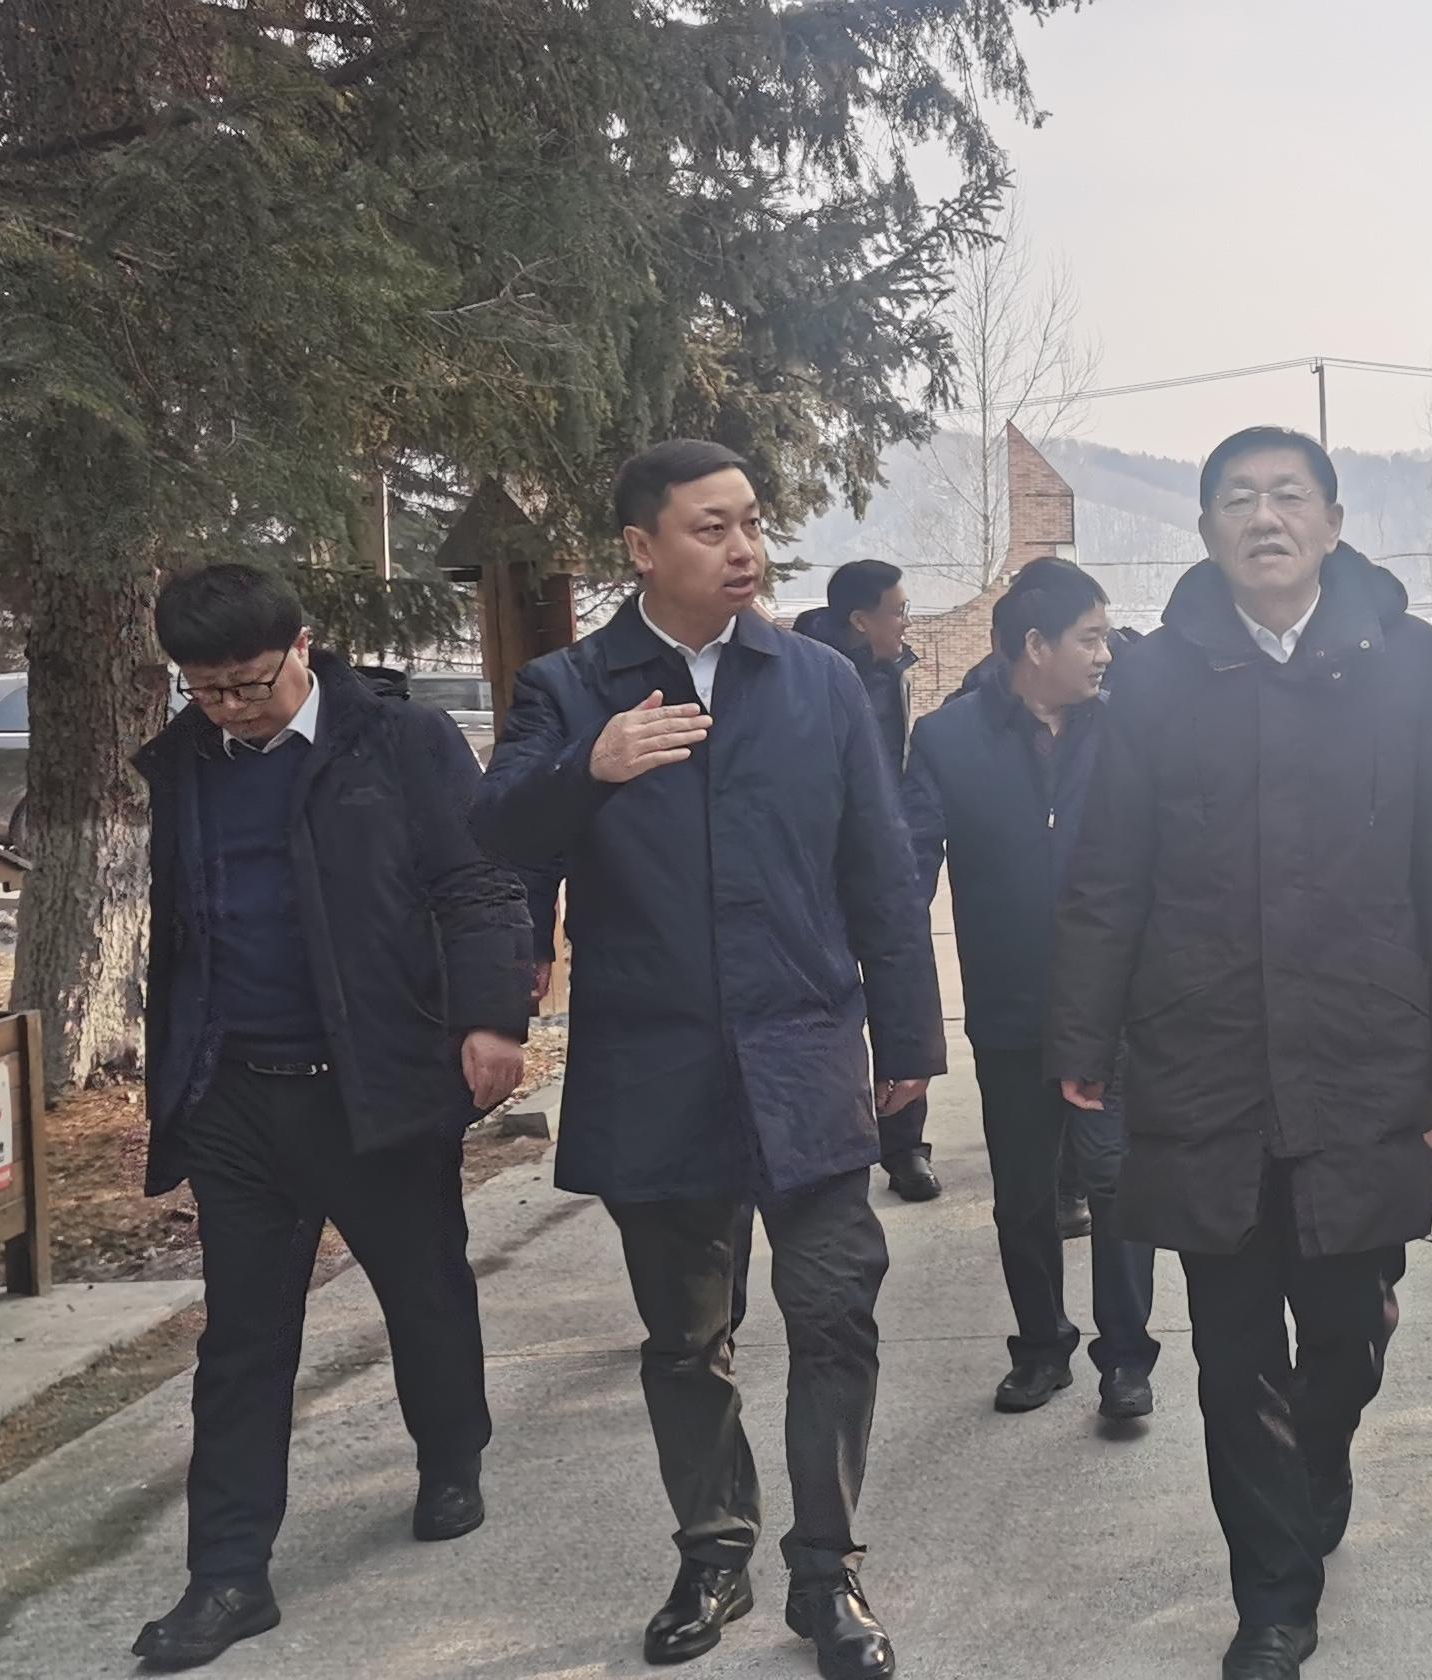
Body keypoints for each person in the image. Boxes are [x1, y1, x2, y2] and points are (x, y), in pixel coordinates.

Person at [1045, 425, 1432, 1680]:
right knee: (1234, 1342)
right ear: (1205, 530)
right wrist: (1083, 1031)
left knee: (1350, 1325)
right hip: (1204, 1051)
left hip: (1364, 1044)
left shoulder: (1409, 664)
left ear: (1333, 521)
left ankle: (1321, 1455)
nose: (1265, 516)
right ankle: (1272, 1599)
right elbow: (1108, 867)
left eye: (1288, 495)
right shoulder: (1155, 677)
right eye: (1238, 498)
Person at [474, 440, 937, 1678]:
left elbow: (879, 867)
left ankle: (826, 1572)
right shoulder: (571, 688)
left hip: (804, 1048)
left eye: (752, 524)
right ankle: (714, 1551)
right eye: (711, 528)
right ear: (641, 548)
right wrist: (591, 768)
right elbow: (499, 835)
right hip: (656, 1059)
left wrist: (907, 1036)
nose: (744, 550)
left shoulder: (819, 683)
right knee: (686, 1337)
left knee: (834, 1312)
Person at [131, 565, 530, 1670]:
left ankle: (450, 1455)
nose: (229, 708)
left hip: (373, 1082)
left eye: (249, 684)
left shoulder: (399, 744)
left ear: (302, 647)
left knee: (423, 1290)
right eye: (205, 689)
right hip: (233, 1093)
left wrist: (492, 1019)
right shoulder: (186, 764)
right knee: (242, 1340)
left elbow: (476, 881)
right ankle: (227, 1576)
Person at [904, 557, 1164, 1419]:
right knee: (1023, 1196)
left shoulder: (1127, 729)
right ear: (1034, 646)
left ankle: (1126, 1360)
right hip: (1010, 1007)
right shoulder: (948, 741)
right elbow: (907, 871)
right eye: (1090, 638)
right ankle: (1041, 1347)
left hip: (1114, 1006)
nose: (1104, 654)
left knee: (1117, 1184)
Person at [796, 558, 940, 1203]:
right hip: (821, 872)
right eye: (898, 610)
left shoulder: (892, 671)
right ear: (860, 619)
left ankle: (904, 1145)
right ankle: (832, 1139)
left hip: (888, 863)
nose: (907, 622)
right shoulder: (803, 677)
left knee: (899, 995)